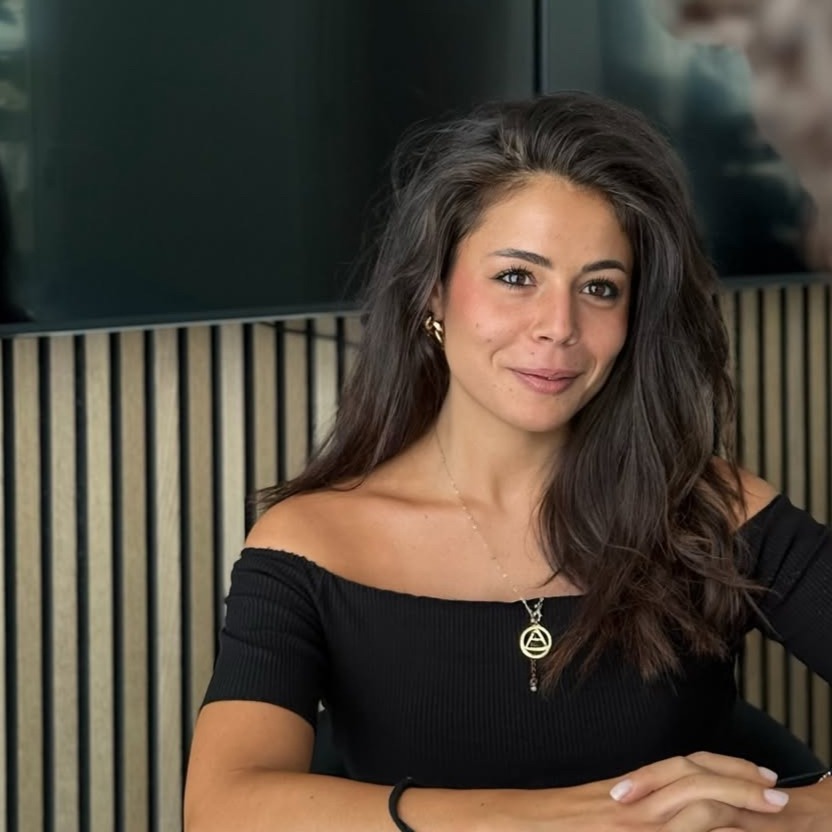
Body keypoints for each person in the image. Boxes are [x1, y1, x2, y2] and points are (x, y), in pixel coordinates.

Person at [184, 91, 832, 831]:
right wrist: (564, 820)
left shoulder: (711, 509)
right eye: (517, 277)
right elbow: (222, 807)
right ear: (433, 292)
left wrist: (792, 815)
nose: (559, 327)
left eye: (600, 288)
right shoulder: (312, 541)